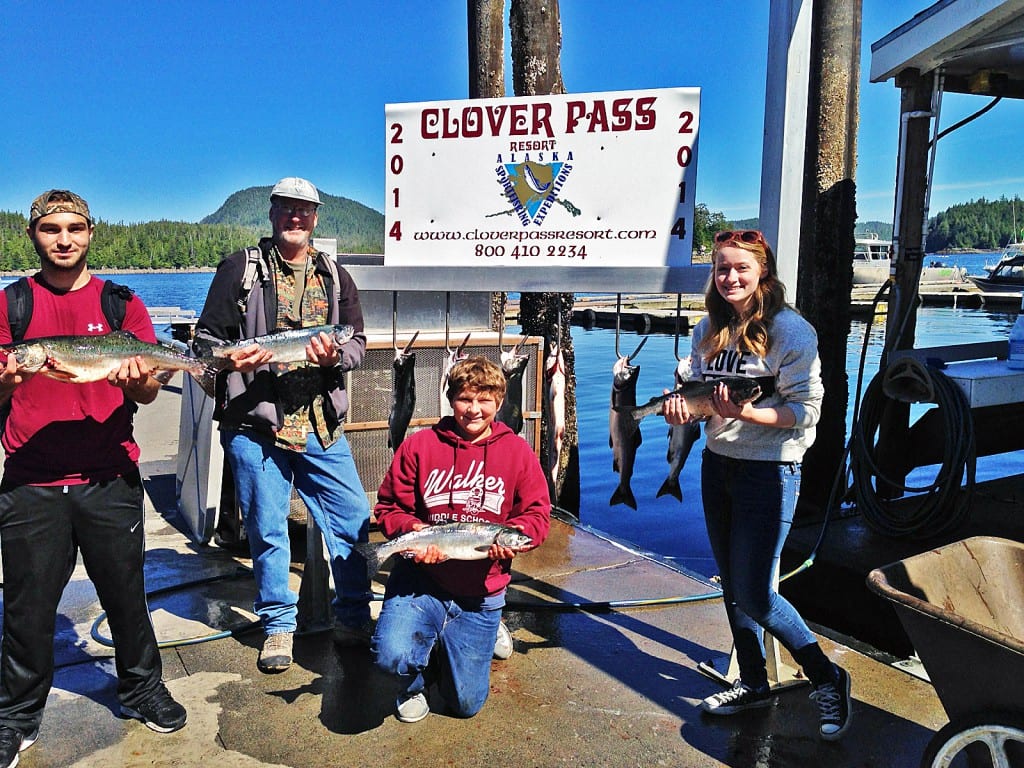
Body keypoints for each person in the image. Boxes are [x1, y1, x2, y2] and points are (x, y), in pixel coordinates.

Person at [0, 190, 187, 767]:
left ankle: (141, 689)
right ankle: (15, 714)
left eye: (75, 228)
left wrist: (137, 378)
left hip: (110, 476)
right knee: (27, 607)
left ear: (90, 233)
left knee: (127, 596)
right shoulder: (12, 307)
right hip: (32, 482)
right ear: (33, 235)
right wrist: (9, 378)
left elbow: (149, 391)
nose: (64, 239)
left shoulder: (120, 303)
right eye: (51, 229)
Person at [661, 229, 852, 741]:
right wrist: (681, 407)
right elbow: (698, 398)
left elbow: (806, 412)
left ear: (762, 271)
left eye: (741, 268)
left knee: (756, 593)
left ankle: (828, 677)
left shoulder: (792, 332)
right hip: (717, 464)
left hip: (770, 472)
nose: (730, 277)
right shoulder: (709, 329)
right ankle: (753, 682)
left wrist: (748, 411)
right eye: (722, 268)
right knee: (732, 585)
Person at [194, 177, 372, 673]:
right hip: (256, 427)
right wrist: (232, 360)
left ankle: (355, 616)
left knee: (353, 520)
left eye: (305, 210)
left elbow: (357, 340)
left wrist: (338, 353)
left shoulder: (336, 276)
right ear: (272, 214)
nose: (297, 217)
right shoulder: (240, 270)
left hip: (320, 426)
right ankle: (277, 625)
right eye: (287, 209)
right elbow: (205, 342)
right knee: (267, 528)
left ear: (316, 218)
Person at [371, 356, 550, 723]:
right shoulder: (420, 446)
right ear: (451, 400)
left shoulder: (517, 452)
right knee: (391, 654)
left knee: (466, 704)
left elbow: (536, 517)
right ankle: (414, 681)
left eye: (484, 400)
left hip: (480, 594)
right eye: (465, 399)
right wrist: (411, 533)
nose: (474, 409)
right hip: (421, 582)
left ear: (499, 403)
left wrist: (519, 540)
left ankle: (460, 642)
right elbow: (388, 506)